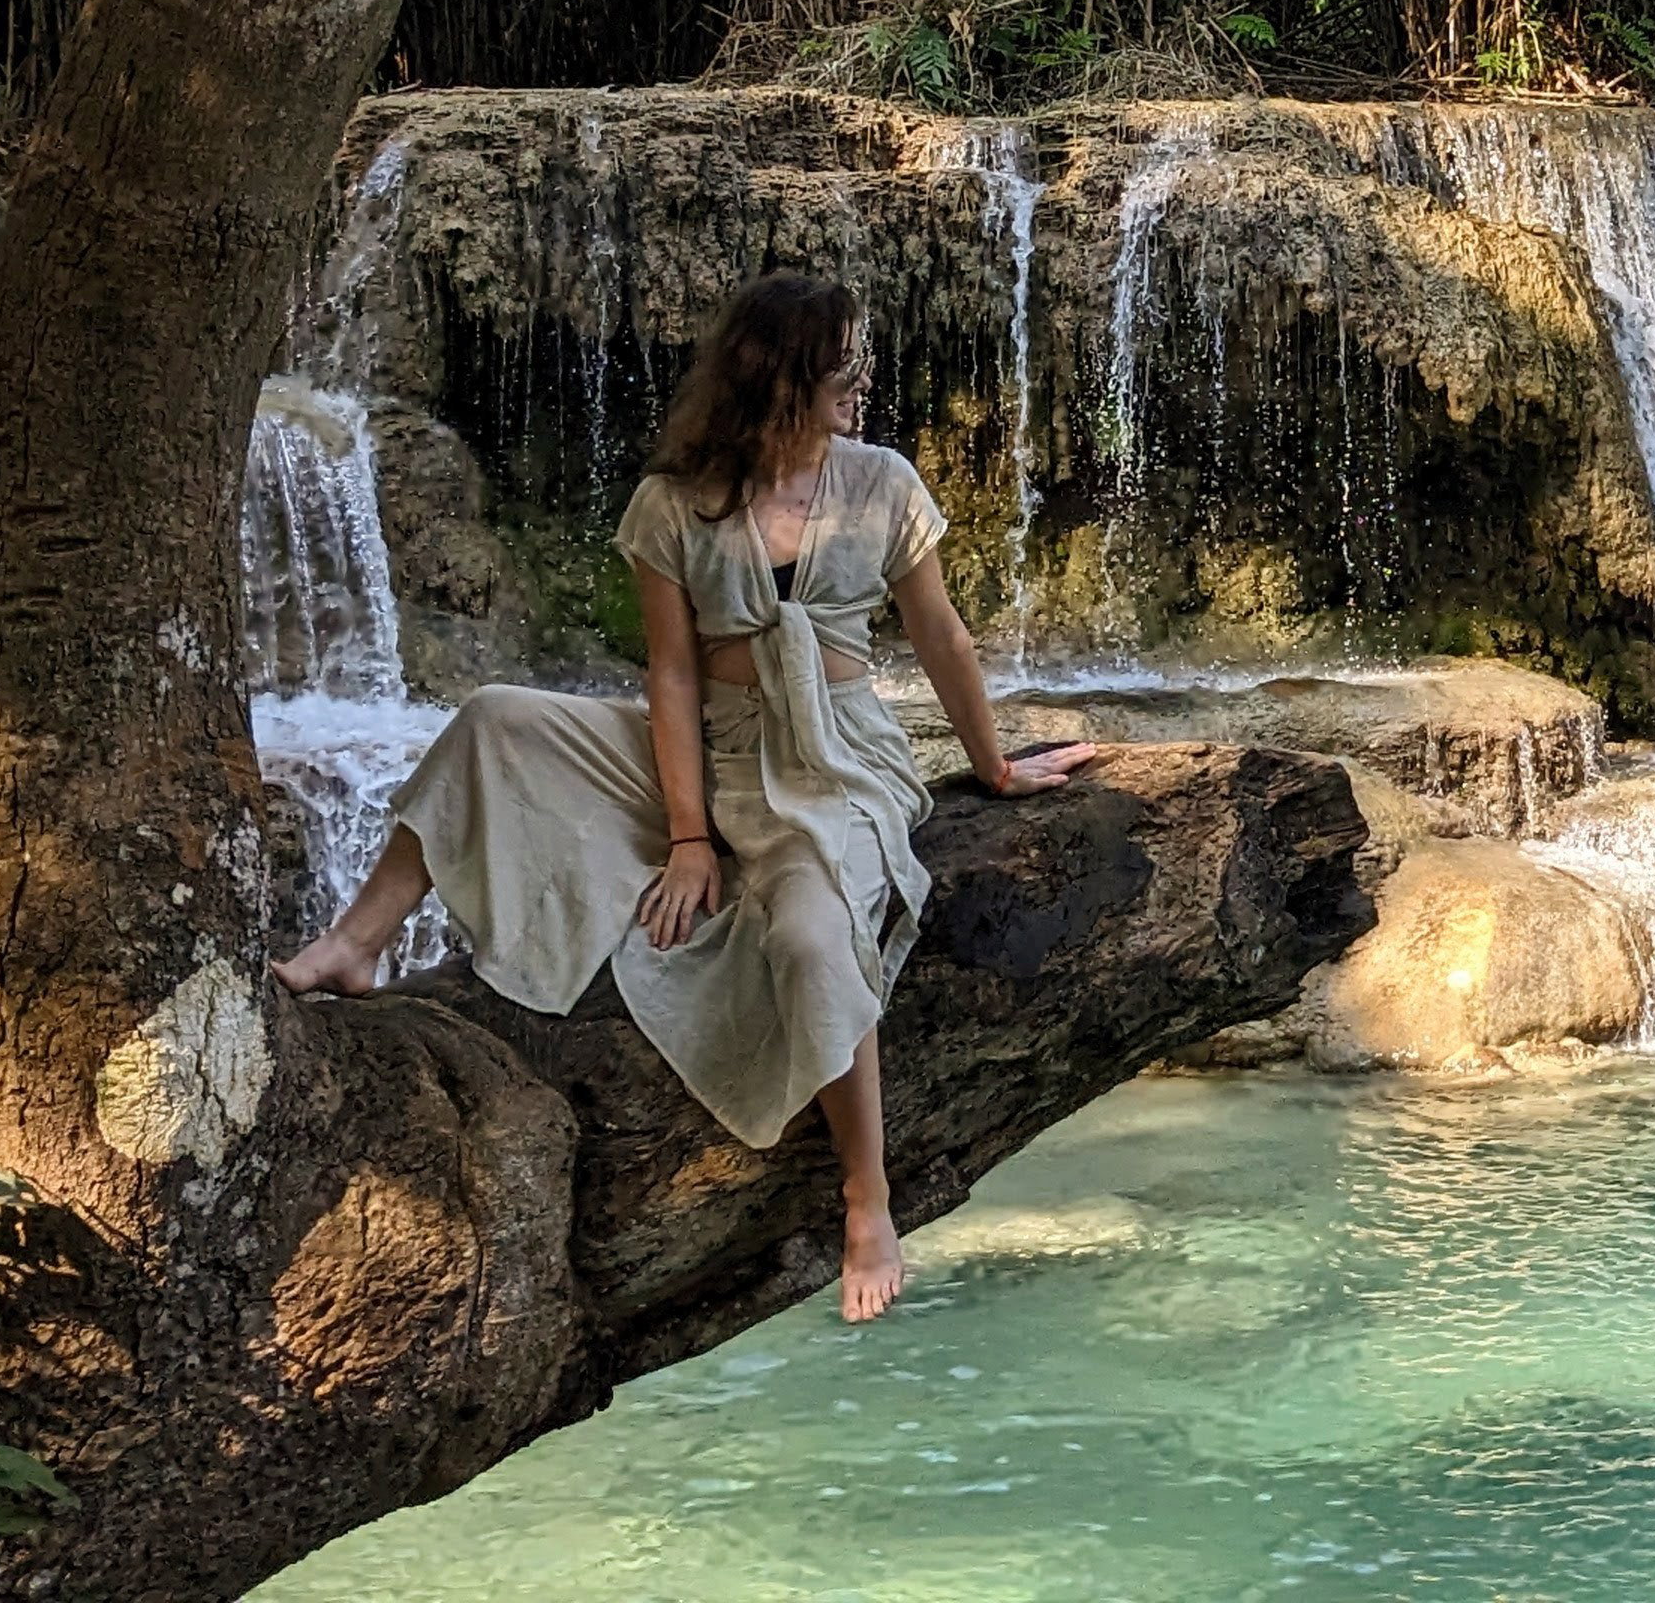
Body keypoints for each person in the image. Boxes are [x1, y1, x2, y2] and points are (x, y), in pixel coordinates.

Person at [274, 269, 1092, 1320]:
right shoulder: (672, 503)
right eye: (844, 362)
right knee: (497, 720)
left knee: (808, 938)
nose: (864, 378)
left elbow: (942, 637)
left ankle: (867, 1196)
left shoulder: (882, 483)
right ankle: (355, 943)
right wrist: (693, 838)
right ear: (780, 376)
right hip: (704, 744)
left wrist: (992, 764)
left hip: (834, 760)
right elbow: (668, 671)